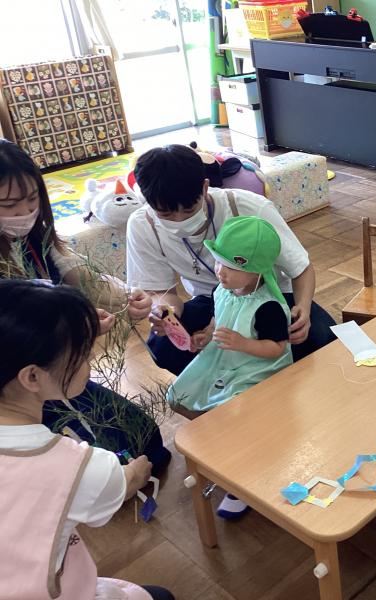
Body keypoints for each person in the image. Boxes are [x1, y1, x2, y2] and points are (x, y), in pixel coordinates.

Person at [0, 139, 171, 475]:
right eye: (10, 205)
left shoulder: (35, 239)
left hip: (56, 371)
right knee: (103, 466)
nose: (25, 213)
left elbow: (81, 274)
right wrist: (77, 328)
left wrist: (127, 295)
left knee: (148, 442)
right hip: (17, 391)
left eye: (32, 199)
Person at [0, 279, 174, 600]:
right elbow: (122, 483)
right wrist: (135, 473)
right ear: (33, 376)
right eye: (80, 354)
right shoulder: (72, 467)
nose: (89, 360)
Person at [126, 144, 336, 376]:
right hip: (211, 300)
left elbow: (301, 268)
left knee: (320, 337)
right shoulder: (142, 225)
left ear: (205, 187)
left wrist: (303, 308)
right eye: (166, 214)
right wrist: (166, 313)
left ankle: (276, 383)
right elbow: (162, 292)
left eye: (189, 210)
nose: (179, 220)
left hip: (269, 294)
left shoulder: (248, 207)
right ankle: (225, 387)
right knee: (163, 347)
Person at [167, 216, 294, 519]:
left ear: (256, 270)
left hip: (257, 368)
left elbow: (277, 348)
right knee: (178, 393)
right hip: (223, 359)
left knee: (232, 411)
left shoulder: (268, 307)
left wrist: (243, 343)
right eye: (218, 262)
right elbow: (217, 320)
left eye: (231, 267)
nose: (220, 272)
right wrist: (205, 335)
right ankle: (220, 445)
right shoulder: (221, 290)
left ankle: (243, 473)